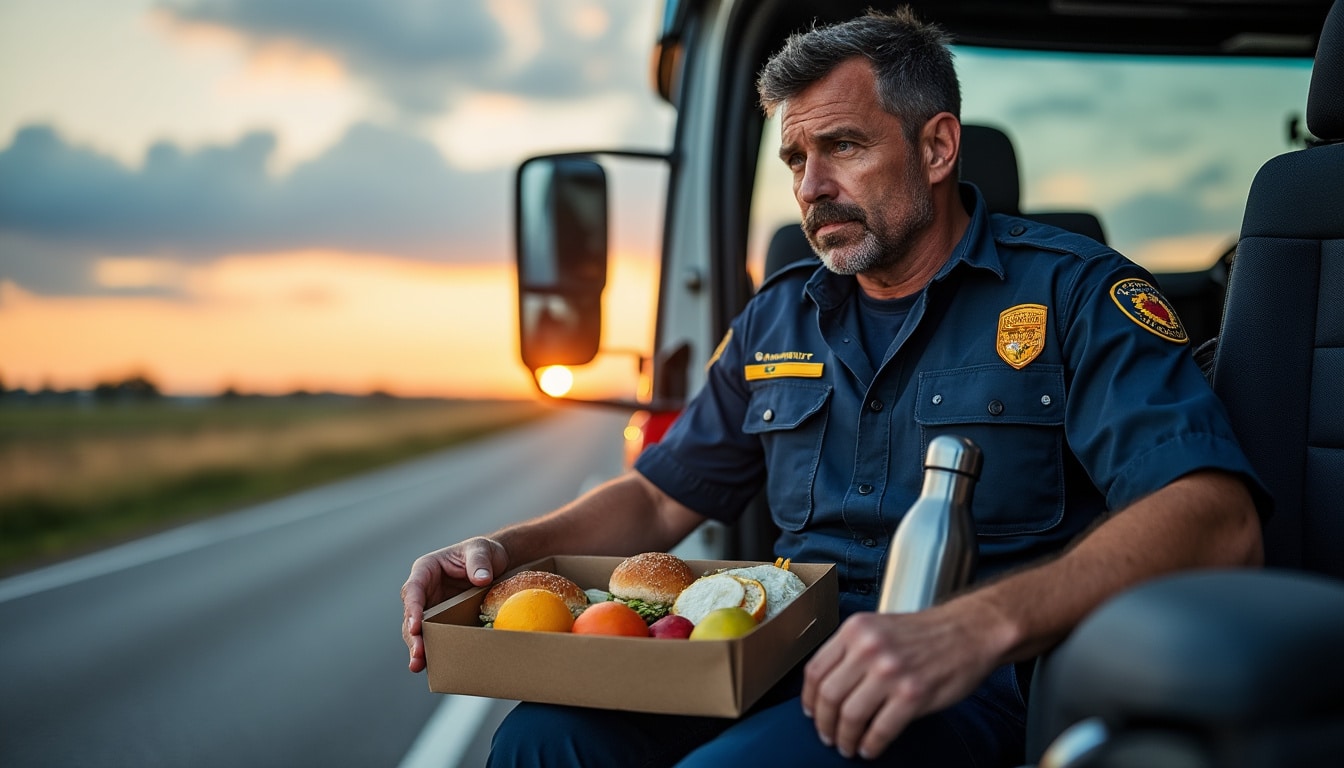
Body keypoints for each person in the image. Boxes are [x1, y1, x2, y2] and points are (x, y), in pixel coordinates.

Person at [401, 7, 1266, 766]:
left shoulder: (1075, 296)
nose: (811, 190)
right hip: (775, 654)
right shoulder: (776, 320)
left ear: (936, 146)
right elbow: (663, 498)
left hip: (972, 680)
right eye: (795, 159)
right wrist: (503, 555)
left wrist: (970, 628)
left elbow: (1216, 520)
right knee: (541, 741)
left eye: (843, 146)